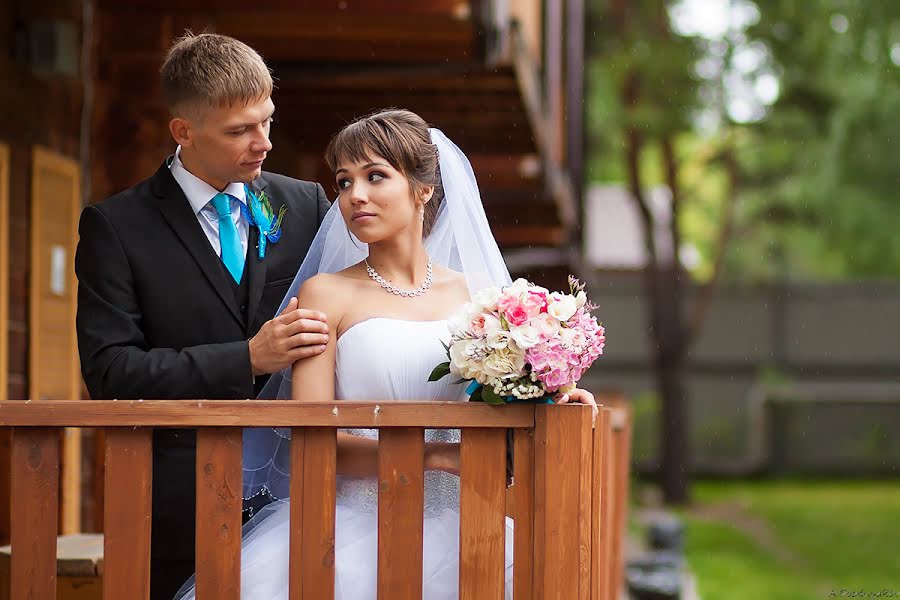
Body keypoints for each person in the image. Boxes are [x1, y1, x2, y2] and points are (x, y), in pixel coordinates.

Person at [176, 109, 597, 599]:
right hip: (350, 538)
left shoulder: (483, 302)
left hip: (467, 533)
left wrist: (555, 398)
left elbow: (508, 406)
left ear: (423, 189)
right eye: (344, 181)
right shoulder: (325, 295)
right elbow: (313, 437)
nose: (355, 195)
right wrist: (436, 454)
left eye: (376, 176)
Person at [74, 32, 332, 600]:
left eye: (267, 121)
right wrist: (245, 359)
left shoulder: (306, 205)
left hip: (301, 499)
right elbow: (111, 373)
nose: (262, 143)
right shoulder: (116, 228)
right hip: (175, 504)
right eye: (239, 130)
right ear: (183, 131)